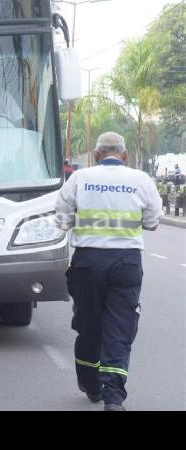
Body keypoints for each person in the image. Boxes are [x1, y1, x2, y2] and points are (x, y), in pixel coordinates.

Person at [54, 132, 163, 411]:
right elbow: (152, 223)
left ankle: (91, 385)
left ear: (95, 154)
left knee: (89, 324)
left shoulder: (80, 178)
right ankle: (114, 398)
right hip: (126, 263)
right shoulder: (141, 180)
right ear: (124, 156)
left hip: (87, 262)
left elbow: (62, 220)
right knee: (119, 328)